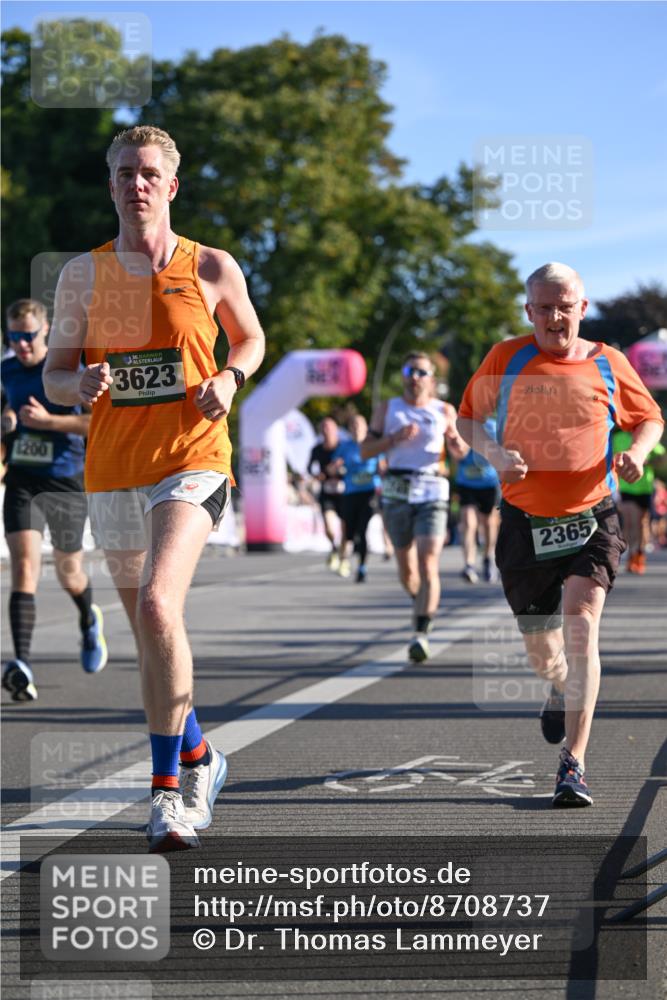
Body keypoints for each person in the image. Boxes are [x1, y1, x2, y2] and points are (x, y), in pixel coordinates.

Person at [43, 126, 265, 851]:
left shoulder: (210, 267)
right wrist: (77, 381)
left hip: (192, 459)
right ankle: (203, 754)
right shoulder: (82, 275)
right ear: (110, 186)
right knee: (151, 630)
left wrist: (229, 380)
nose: (135, 184)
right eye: (122, 173)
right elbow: (54, 372)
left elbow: (251, 340)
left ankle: (169, 793)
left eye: (148, 173)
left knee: (156, 603)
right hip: (112, 470)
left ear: (170, 186)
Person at [457, 262, 663, 807]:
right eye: (544, 307)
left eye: (564, 305)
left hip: (592, 518)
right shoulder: (507, 357)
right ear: (529, 312)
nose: (555, 316)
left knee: (581, 629)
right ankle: (556, 686)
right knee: (544, 651)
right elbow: (466, 421)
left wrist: (637, 453)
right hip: (526, 525)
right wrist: (496, 452)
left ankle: (574, 763)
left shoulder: (609, 363)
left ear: (583, 307)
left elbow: (650, 419)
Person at [1, 298, 107, 702]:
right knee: (24, 567)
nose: (23, 344)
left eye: (29, 336)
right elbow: (5, 409)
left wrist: (50, 422)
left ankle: (87, 616)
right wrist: (6, 421)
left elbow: (95, 423)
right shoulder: (7, 370)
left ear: (44, 330)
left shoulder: (66, 371)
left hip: (65, 479)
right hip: (24, 478)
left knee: (68, 572)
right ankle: (22, 664)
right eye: (15, 337)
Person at [361, 351, 468, 662]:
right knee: (407, 570)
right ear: (404, 376)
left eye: (422, 372)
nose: (416, 377)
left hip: (433, 490)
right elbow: (365, 449)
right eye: (411, 371)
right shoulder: (388, 409)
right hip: (397, 491)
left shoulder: (444, 410)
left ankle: (421, 632)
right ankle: (421, 600)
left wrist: (457, 444)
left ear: (432, 380)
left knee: (428, 561)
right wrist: (392, 439)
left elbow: (459, 452)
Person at [333, 414, 382, 582]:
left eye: (359, 424)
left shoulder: (373, 445)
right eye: (352, 425)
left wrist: (382, 470)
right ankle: (344, 559)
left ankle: (362, 567)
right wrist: (336, 468)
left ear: (366, 427)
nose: (356, 428)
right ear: (349, 429)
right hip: (350, 493)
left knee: (362, 531)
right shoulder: (344, 446)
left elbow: (383, 465)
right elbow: (334, 466)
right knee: (349, 533)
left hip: (369, 492)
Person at [454, 416, 501, 583]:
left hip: (489, 483)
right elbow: (456, 455)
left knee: (489, 523)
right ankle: (469, 564)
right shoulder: (460, 425)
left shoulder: (494, 425)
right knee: (468, 521)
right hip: (466, 482)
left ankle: (488, 557)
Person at [612, 427, 665, 574]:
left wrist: (646, 461)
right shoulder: (618, 438)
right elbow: (611, 461)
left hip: (645, 488)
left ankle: (639, 554)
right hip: (626, 487)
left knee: (642, 523)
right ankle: (632, 554)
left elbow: (662, 457)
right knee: (630, 521)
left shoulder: (645, 436)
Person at [307, 416, 345, 570]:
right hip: (327, 492)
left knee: (346, 527)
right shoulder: (316, 449)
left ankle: (344, 557)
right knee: (329, 526)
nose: (326, 430)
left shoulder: (344, 448)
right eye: (323, 428)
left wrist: (342, 469)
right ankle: (334, 547)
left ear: (336, 430)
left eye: (329, 427)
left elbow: (353, 463)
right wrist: (318, 475)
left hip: (344, 492)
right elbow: (309, 468)